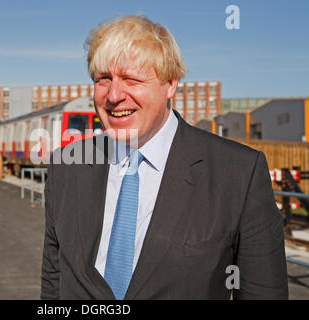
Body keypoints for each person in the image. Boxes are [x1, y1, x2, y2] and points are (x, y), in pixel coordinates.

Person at [41, 15, 288, 300]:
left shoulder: (238, 173)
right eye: (103, 79)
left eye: (131, 79)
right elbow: (53, 281)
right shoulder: (66, 167)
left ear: (171, 84)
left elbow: (263, 292)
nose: (114, 95)